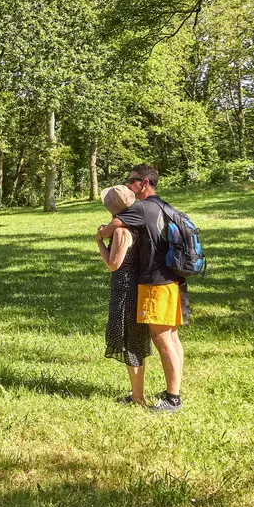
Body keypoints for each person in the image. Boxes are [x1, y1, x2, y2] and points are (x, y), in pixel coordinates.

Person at [95, 164, 187, 413]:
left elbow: (111, 227)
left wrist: (100, 234)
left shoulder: (139, 208)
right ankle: (173, 391)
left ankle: (173, 399)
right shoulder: (164, 206)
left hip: (156, 281)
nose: (128, 185)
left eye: (131, 181)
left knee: (162, 338)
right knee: (172, 337)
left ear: (144, 182)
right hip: (174, 277)